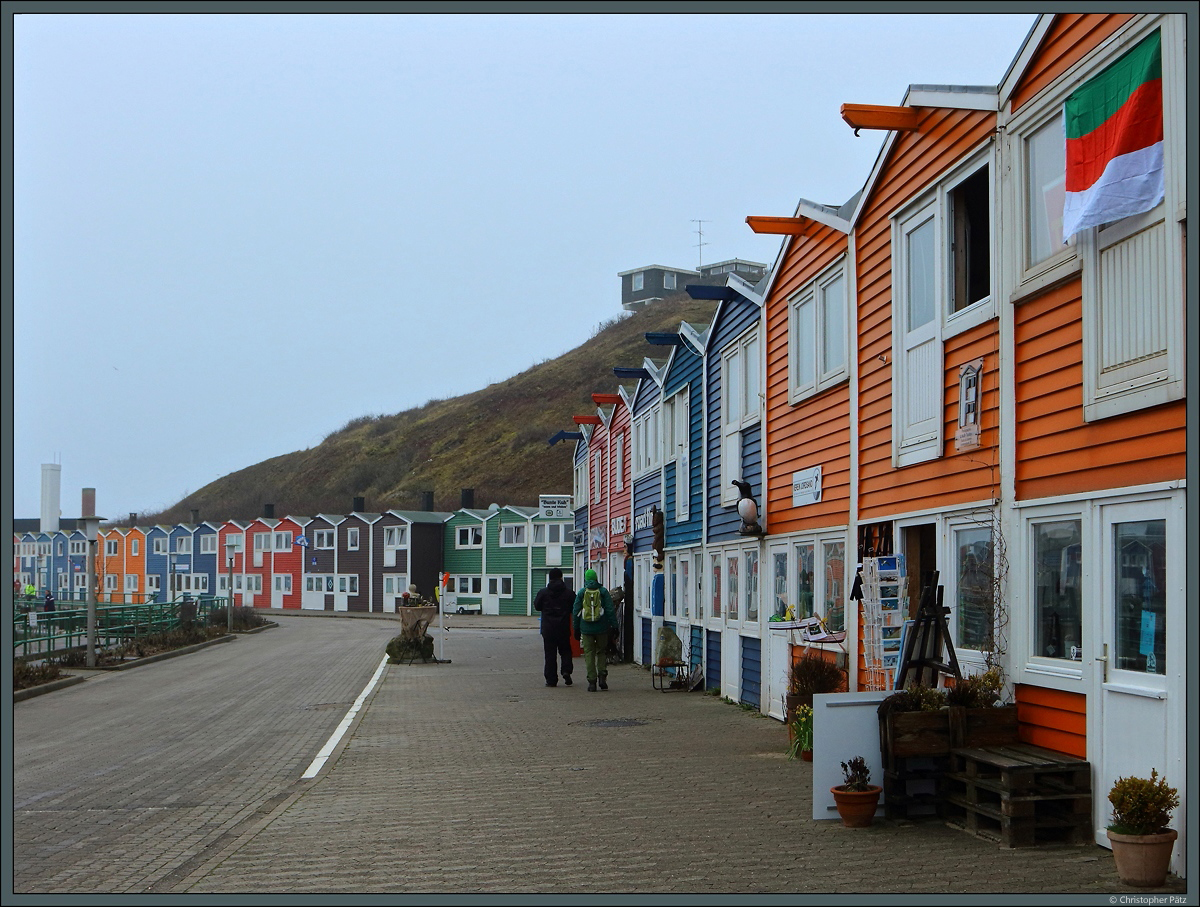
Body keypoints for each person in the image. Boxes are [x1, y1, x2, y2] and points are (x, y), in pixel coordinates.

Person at [573, 568, 617, 692]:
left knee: (589, 654)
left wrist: (576, 628)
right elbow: (610, 610)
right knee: (601, 652)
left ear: (586, 579)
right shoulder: (603, 592)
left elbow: (576, 611)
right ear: (596, 578)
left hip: (586, 629)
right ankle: (602, 677)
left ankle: (592, 682)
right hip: (602, 628)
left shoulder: (582, 593)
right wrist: (614, 626)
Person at [533, 567, 574, 687]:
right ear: (561, 577)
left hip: (548, 629)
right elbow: (575, 606)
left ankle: (551, 679)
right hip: (563, 627)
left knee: (550, 654)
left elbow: (537, 606)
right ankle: (566, 670)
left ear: (550, 578)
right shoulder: (568, 593)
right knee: (565, 650)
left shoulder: (543, 593)